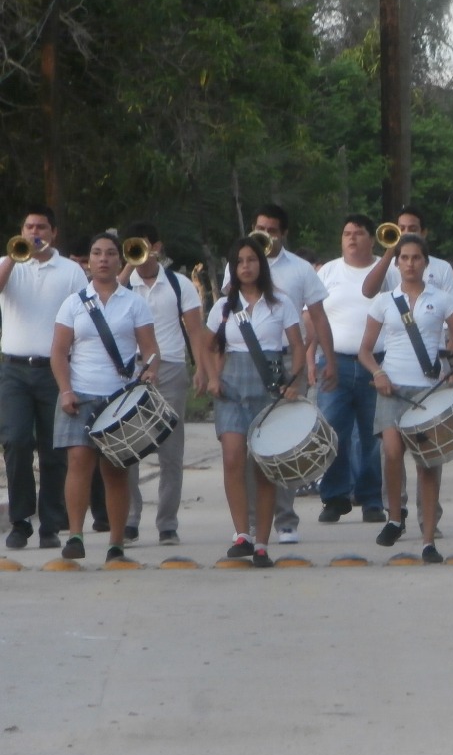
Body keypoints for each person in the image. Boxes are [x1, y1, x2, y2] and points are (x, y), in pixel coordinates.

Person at [223, 203, 337, 544]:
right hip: (244, 361)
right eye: (261, 228)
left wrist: (329, 360)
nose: (266, 235)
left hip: (289, 359)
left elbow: (318, 316)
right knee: (244, 447)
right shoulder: (237, 264)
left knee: (283, 444)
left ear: (283, 233)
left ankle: (285, 520)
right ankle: (249, 524)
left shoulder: (301, 269)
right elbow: (227, 314)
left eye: (272, 230)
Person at [49, 232, 161, 563]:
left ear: (119, 259)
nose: (103, 259)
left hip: (119, 398)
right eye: (97, 253)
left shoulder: (134, 303)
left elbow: (151, 350)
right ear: (89, 260)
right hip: (80, 393)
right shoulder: (74, 302)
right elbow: (58, 352)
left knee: (115, 470)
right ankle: (75, 536)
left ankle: (116, 542)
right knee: (78, 463)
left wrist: (150, 371)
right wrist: (65, 390)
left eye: (110, 253)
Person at [359, 234, 453, 561]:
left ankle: (428, 540)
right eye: (404, 258)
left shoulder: (443, 299)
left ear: (426, 262)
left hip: (428, 390)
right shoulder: (384, 301)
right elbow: (365, 350)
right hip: (391, 387)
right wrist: (377, 373)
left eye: (416, 258)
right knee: (392, 452)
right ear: (397, 263)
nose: (410, 264)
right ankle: (395, 517)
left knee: (428, 464)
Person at [207, 236, 305, 567]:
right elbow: (209, 346)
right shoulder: (223, 307)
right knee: (233, 457)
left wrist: (294, 381)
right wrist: (213, 377)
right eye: (239, 261)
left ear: (260, 265)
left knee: (264, 466)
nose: (246, 266)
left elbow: (298, 345)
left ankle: (262, 542)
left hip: (268, 387)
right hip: (231, 389)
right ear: (232, 268)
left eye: (251, 260)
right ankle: (242, 534)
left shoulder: (280, 303)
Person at [0, 205, 87, 551]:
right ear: (21, 231)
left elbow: (83, 316)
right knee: (16, 441)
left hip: (54, 370)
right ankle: (21, 521)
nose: (34, 232)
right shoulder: (8, 263)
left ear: (53, 233)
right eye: (29, 227)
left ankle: (50, 523)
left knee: (54, 448)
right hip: (13, 369)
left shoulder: (70, 271)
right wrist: (13, 258)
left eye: (41, 227)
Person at [118, 221, 208, 546]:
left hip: (169, 366)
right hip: (130, 369)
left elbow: (195, 330)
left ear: (157, 247)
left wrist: (200, 368)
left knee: (170, 449)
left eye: (143, 245)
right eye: (133, 246)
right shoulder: (124, 284)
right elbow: (106, 302)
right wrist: (129, 266)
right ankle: (130, 517)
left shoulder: (178, 284)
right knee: (128, 447)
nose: (140, 252)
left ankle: (167, 522)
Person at [314, 215, 392, 525]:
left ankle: (371, 499)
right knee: (333, 431)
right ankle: (335, 497)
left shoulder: (389, 270)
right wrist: (310, 357)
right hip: (335, 361)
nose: (351, 238)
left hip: (378, 362)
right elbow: (314, 317)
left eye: (358, 233)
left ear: (372, 239)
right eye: (347, 233)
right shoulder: (328, 271)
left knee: (372, 435)